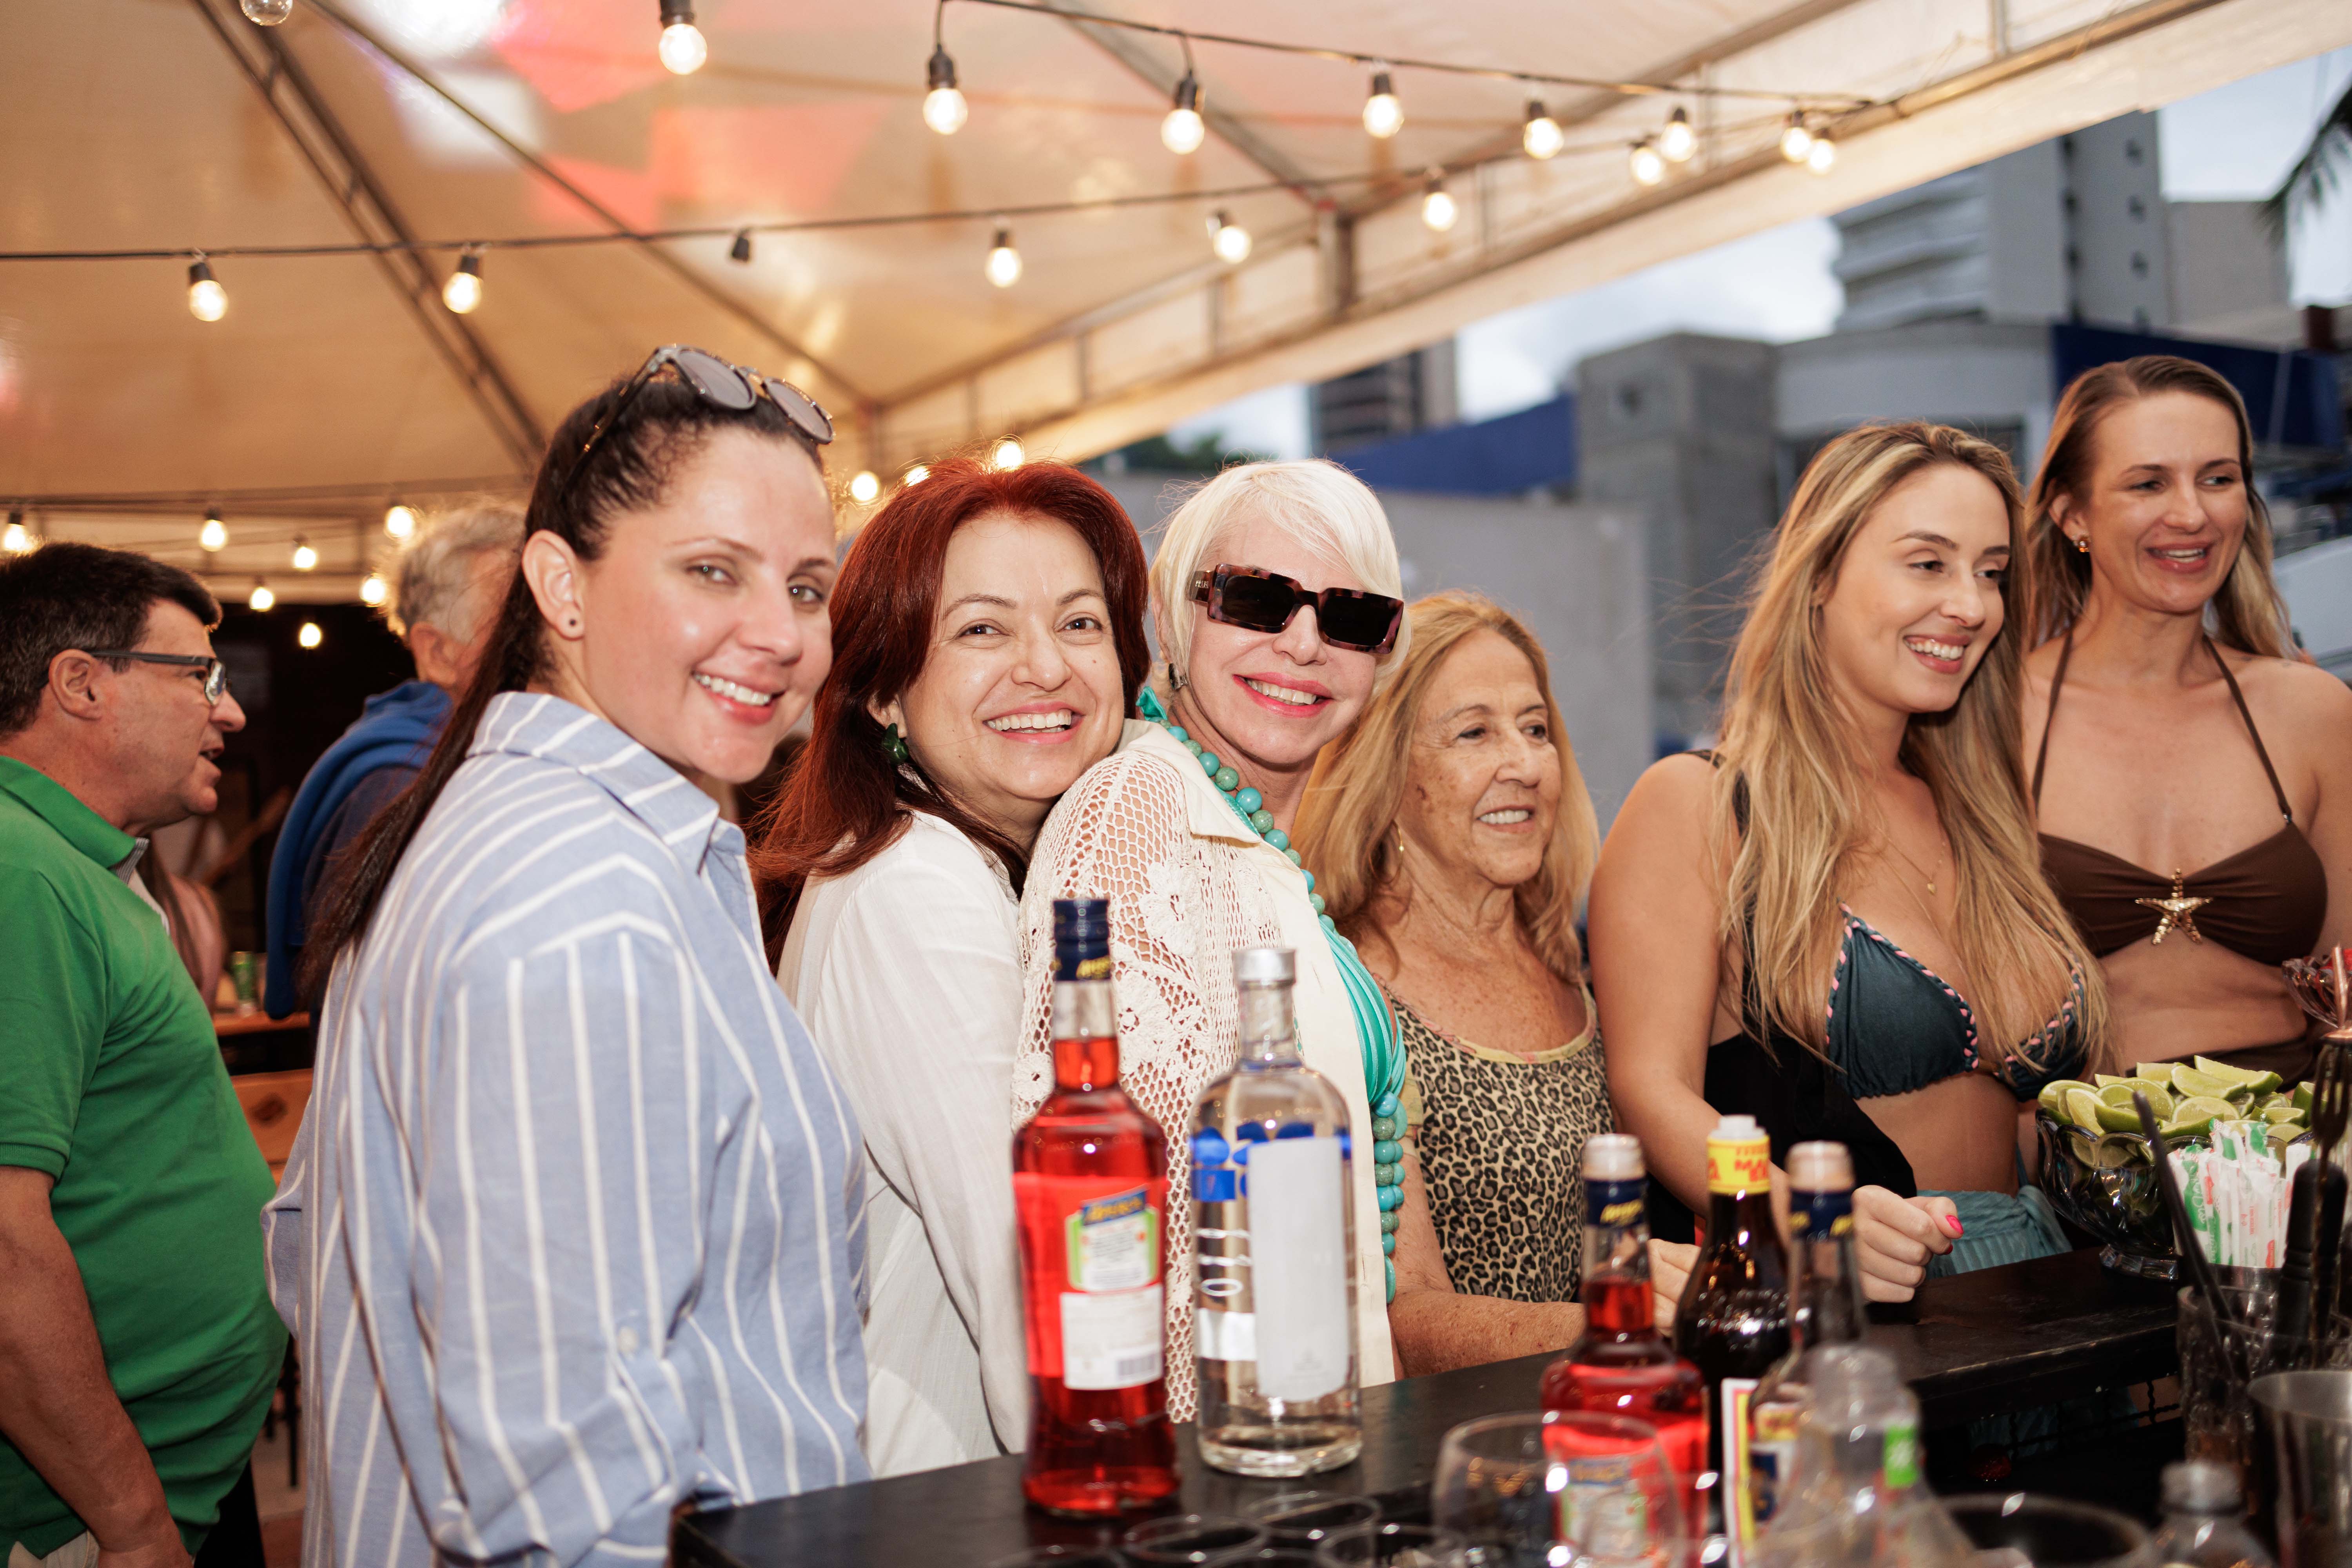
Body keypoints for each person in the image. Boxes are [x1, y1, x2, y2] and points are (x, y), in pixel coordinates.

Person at [265, 347, 867, 1564]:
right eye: (713, 570)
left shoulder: (524, 834)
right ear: (561, 586)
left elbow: (304, 1245)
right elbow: (567, 1494)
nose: (781, 634)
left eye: (807, 588)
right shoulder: (577, 898)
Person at [1594, 422, 2105, 1302]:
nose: (1972, 605)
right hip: (1844, 1312)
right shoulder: (1701, 803)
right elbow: (1651, 1090)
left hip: (2047, 1287)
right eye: (1927, 563)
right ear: (1821, 574)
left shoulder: (1982, 813)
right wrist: (1802, 1220)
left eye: (1990, 572)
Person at [752, 457, 1151, 1477]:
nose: (1046, 668)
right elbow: (1029, 1277)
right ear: (884, 691)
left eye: (1080, 623)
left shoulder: (992, 875)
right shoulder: (914, 890)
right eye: (982, 630)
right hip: (950, 1504)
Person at [1012, 459, 1409, 1419]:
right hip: (1233, 1455)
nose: (1304, 643)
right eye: (1257, 599)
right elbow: (1122, 1218)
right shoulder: (1134, 814)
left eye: (1351, 616)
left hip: (1316, 1433)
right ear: (1172, 615)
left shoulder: (1246, 837)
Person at [0, 543, 283, 1568]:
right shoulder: (21, 873)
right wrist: (129, 1519)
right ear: (81, 682)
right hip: (90, 1511)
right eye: (198, 676)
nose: (229, 710)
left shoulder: (81, 866)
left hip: (156, 1478)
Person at [1298, 593, 1636, 1377]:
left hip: (1609, 1418)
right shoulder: (1353, 996)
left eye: (1535, 729)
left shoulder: (1572, 962)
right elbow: (1406, 1318)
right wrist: (1627, 1321)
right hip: (1465, 1441)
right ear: (1389, 772)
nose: (1524, 764)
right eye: (1475, 733)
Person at [2024, 356, 2350, 1083]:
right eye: (2148, 483)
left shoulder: (2312, 710)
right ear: (2073, 515)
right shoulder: (1994, 717)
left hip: (2294, 1131)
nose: (2192, 514)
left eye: (2217, 479)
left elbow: (2346, 998)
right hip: (2081, 1136)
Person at [261, 501, 523, 1017]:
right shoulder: (398, 787)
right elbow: (389, 1011)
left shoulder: (447, 763)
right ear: (438, 653)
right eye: (515, 619)